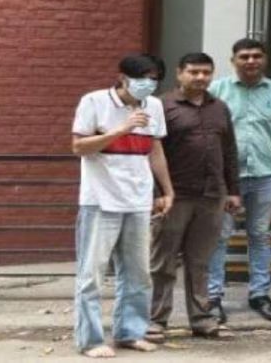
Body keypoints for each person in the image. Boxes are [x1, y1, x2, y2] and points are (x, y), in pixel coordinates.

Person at [70, 54, 174, 359]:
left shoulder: (154, 106)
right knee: (92, 275)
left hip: (138, 201)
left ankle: (130, 332)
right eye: (142, 77)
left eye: (154, 78)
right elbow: (78, 146)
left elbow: (155, 150)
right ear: (122, 77)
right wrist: (121, 129)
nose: (148, 84)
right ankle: (90, 340)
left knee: (138, 274)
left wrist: (167, 190)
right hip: (100, 200)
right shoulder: (94, 101)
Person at [148, 53, 240, 341]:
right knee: (163, 262)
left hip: (212, 195)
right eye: (194, 72)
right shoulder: (162, 106)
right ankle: (156, 320)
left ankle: (201, 319)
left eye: (206, 72)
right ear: (180, 73)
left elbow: (229, 151)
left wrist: (233, 190)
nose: (200, 77)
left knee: (200, 262)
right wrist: (157, 194)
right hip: (174, 196)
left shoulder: (219, 108)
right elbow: (151, 153)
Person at [206, 38, 271, 324]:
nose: (251, 61)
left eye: (257, 56)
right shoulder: (216, 90)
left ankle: (260, 294)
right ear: (233, 60)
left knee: (259, 234)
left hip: (264, 173)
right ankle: (213, 297)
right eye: (244, 56)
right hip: (226, 177)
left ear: (265, 59)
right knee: (219, 236)